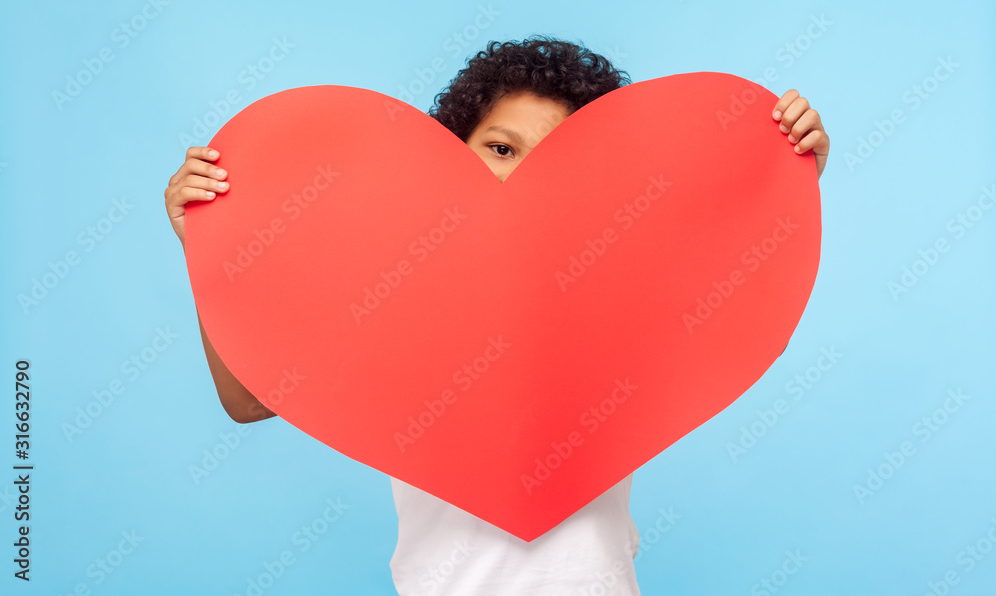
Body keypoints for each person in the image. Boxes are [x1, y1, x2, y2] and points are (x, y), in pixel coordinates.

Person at [164, 36, 830, 594]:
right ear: (453, 154)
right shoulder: (394, 295)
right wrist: (210, 249)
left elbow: (724, 269)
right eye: (502, 148)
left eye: (558, 157)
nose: (522, 176)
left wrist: (784, 174)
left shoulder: (618, 297)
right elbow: (248, 398)